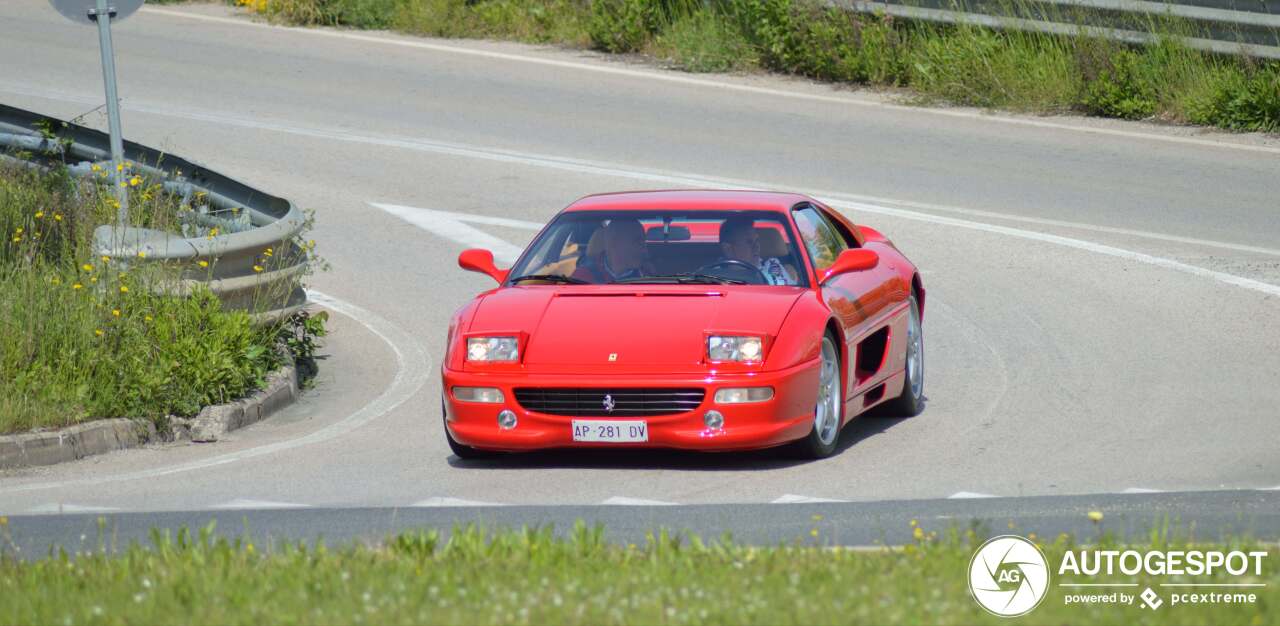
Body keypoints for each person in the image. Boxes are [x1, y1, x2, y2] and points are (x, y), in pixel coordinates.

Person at [718, 216, 797, 285]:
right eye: (749, 242)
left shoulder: (772, 267)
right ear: (728, 249)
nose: (757, 247)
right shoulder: (712, 276)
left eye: (757, 241)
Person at [572, 218, 649, 283]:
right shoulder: (582, 277)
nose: (645, 250)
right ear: (615, 243)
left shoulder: (651, 275)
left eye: (643, 242)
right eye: (637, 241)